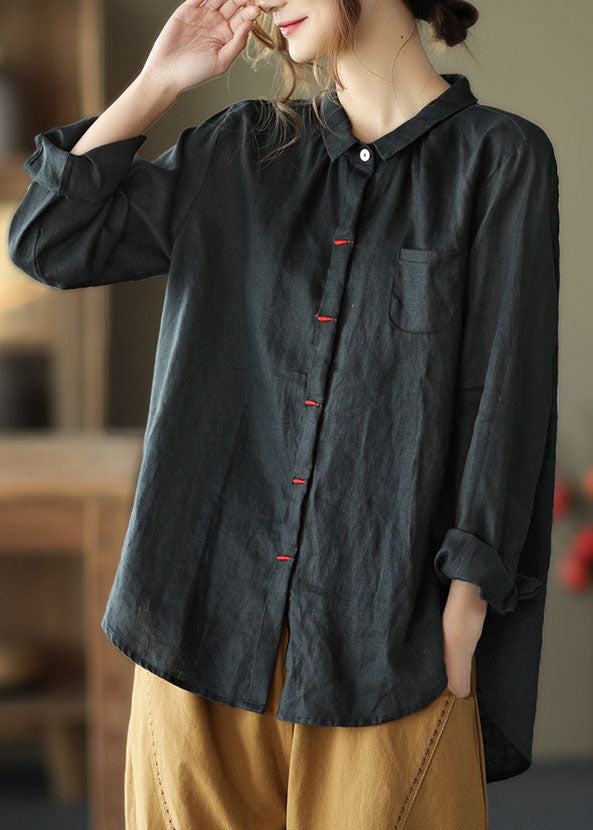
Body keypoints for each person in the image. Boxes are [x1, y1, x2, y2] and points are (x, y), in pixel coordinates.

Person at [8, 1, 560, 828]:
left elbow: (506, 391)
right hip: (195, 623)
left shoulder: (498, 158)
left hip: (384, 639)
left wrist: (469, 595)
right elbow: (49, 241)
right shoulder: (239, 147)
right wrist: (157, 82)